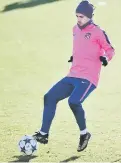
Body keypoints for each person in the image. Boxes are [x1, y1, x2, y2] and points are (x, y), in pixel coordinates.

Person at [33, 0, 115, 152]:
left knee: (74, 101)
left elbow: (110, 50)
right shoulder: (75, 29)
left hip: (88, 78)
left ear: (90, 17)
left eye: (82, 16)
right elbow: (82, 47)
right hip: (73, 74)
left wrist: (105, 58)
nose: (78, 19)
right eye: (77, 16)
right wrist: (74, 57)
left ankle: (84, 134)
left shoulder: (98, 31)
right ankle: (43, 134)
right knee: (49, 97)